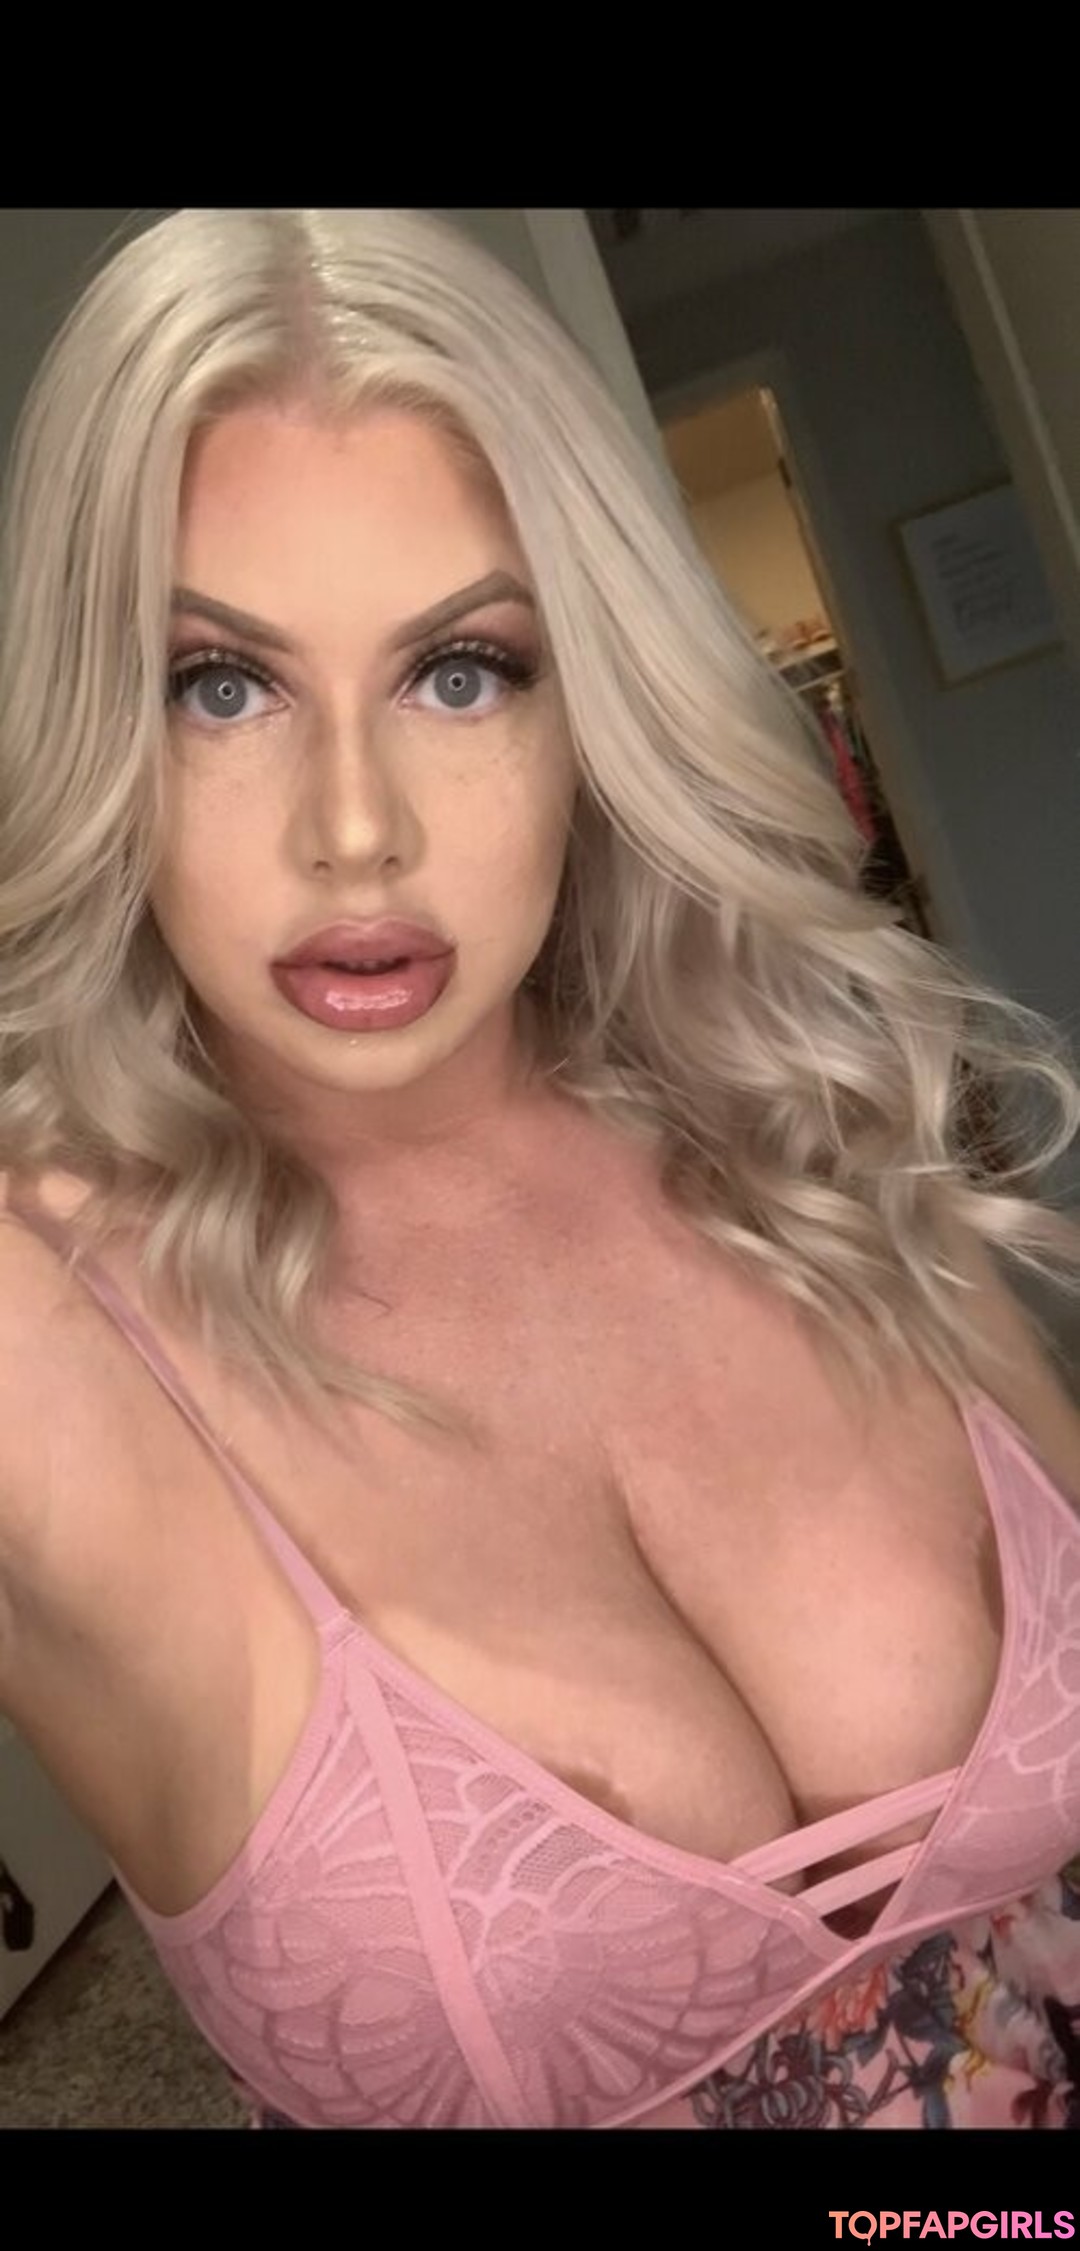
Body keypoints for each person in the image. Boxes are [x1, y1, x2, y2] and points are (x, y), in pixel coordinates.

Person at [0, 207, 1079, 2135]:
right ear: (93, 720)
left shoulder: (794, 1120)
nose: (355, 830)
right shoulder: (50, 1319)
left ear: (591, 695)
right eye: (220, 684)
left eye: (462, 670)